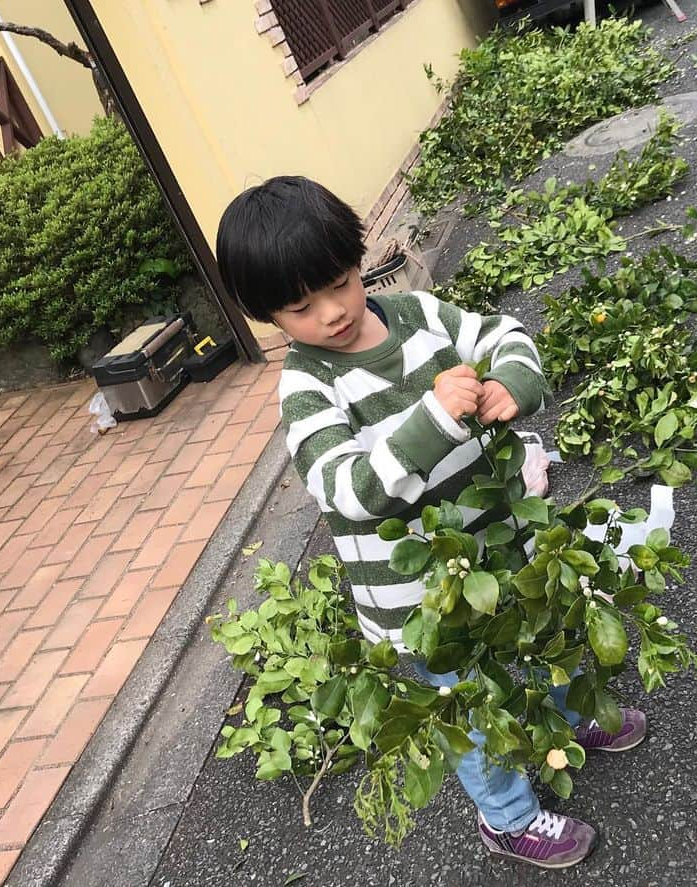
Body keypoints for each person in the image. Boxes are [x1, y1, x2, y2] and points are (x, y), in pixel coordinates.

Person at [216, 176, 647, 869]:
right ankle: (506, 818)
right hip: (418, 602)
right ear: (268, 315)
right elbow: (348, 489)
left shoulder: (418, 316)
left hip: (500, 551)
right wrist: (435, 418)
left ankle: (570, 721)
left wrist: (514, 378)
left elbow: (501, 333)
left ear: (360, 260)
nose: (331, 313)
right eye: (300, 307)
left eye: (341, 282)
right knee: (473, 712)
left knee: (542, 640)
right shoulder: (308, 388)